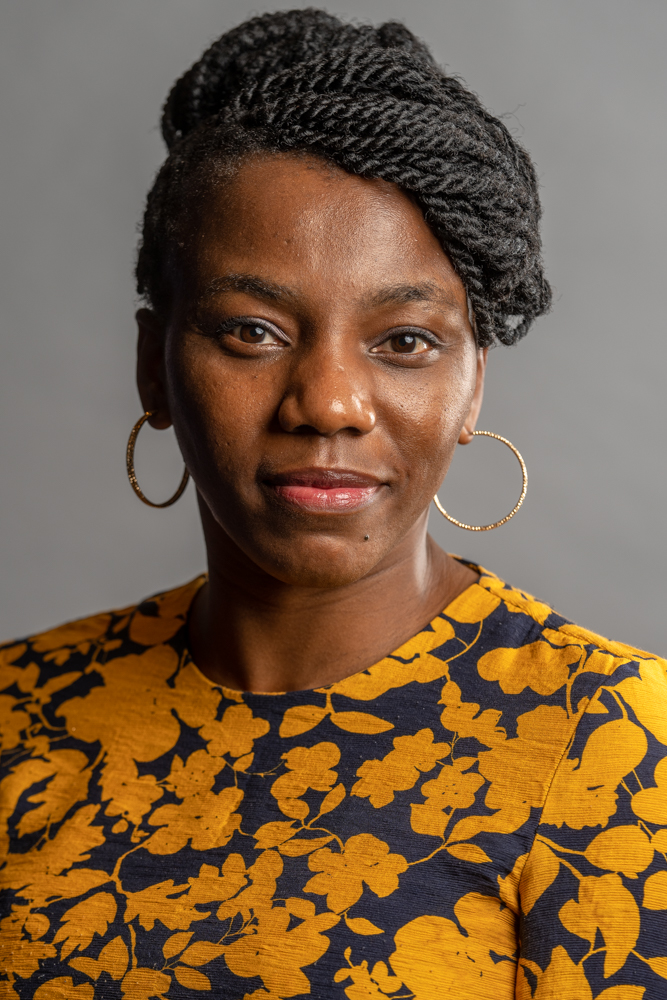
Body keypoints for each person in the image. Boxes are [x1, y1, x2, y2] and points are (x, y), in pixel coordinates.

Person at [1, 9, 665, 998]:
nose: (329, 403)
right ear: (154, 363)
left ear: (473, 383)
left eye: (404, 341)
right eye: (253, 331)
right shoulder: (18, 718)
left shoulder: (620, 749)